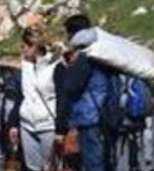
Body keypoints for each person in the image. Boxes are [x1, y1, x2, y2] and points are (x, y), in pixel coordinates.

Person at [55, 14, 113, 171]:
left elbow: (71, 87)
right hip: (106, 117)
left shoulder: (85, 58)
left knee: (92, 163)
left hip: (90, 119)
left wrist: (65, 70)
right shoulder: (101, 53)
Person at [18, 27, 62, 171]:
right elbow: (23, 94)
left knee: (51, 166)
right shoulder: (26, 64)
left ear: (34, 46)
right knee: (32, 167)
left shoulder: (56, 65)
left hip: (48, 124)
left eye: (23, 46)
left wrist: (62, 128)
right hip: (27, 123)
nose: (21, 50)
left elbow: (63, 97)